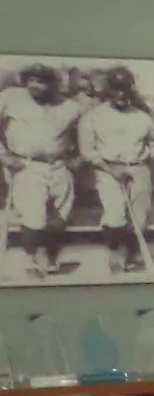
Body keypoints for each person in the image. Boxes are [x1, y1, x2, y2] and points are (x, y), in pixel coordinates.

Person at [75, 67, 154, 275]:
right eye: (116, 89)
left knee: (139, 217)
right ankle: (115, 252)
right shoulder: (93, 117)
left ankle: (129, 253)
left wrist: (146, 159)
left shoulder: (141, 116)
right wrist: (112, 169)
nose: (120, 94)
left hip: (138, 169)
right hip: (108, 170)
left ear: (130, 90)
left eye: (124, 89)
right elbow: (87, 152)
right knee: (115, 215)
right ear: (108, 90)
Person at [0, 65, 83, 278]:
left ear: (54, 84)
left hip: (58, 166)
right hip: (26, 165)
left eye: (42, 81)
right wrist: (4, 155)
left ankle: (50, 255)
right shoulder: (10, 98)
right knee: (33, 216)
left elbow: (84, 133)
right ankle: (33, 260)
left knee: (59, 218)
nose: (36, 85)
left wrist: (78, 157)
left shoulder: (70, 106)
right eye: (32, 80)